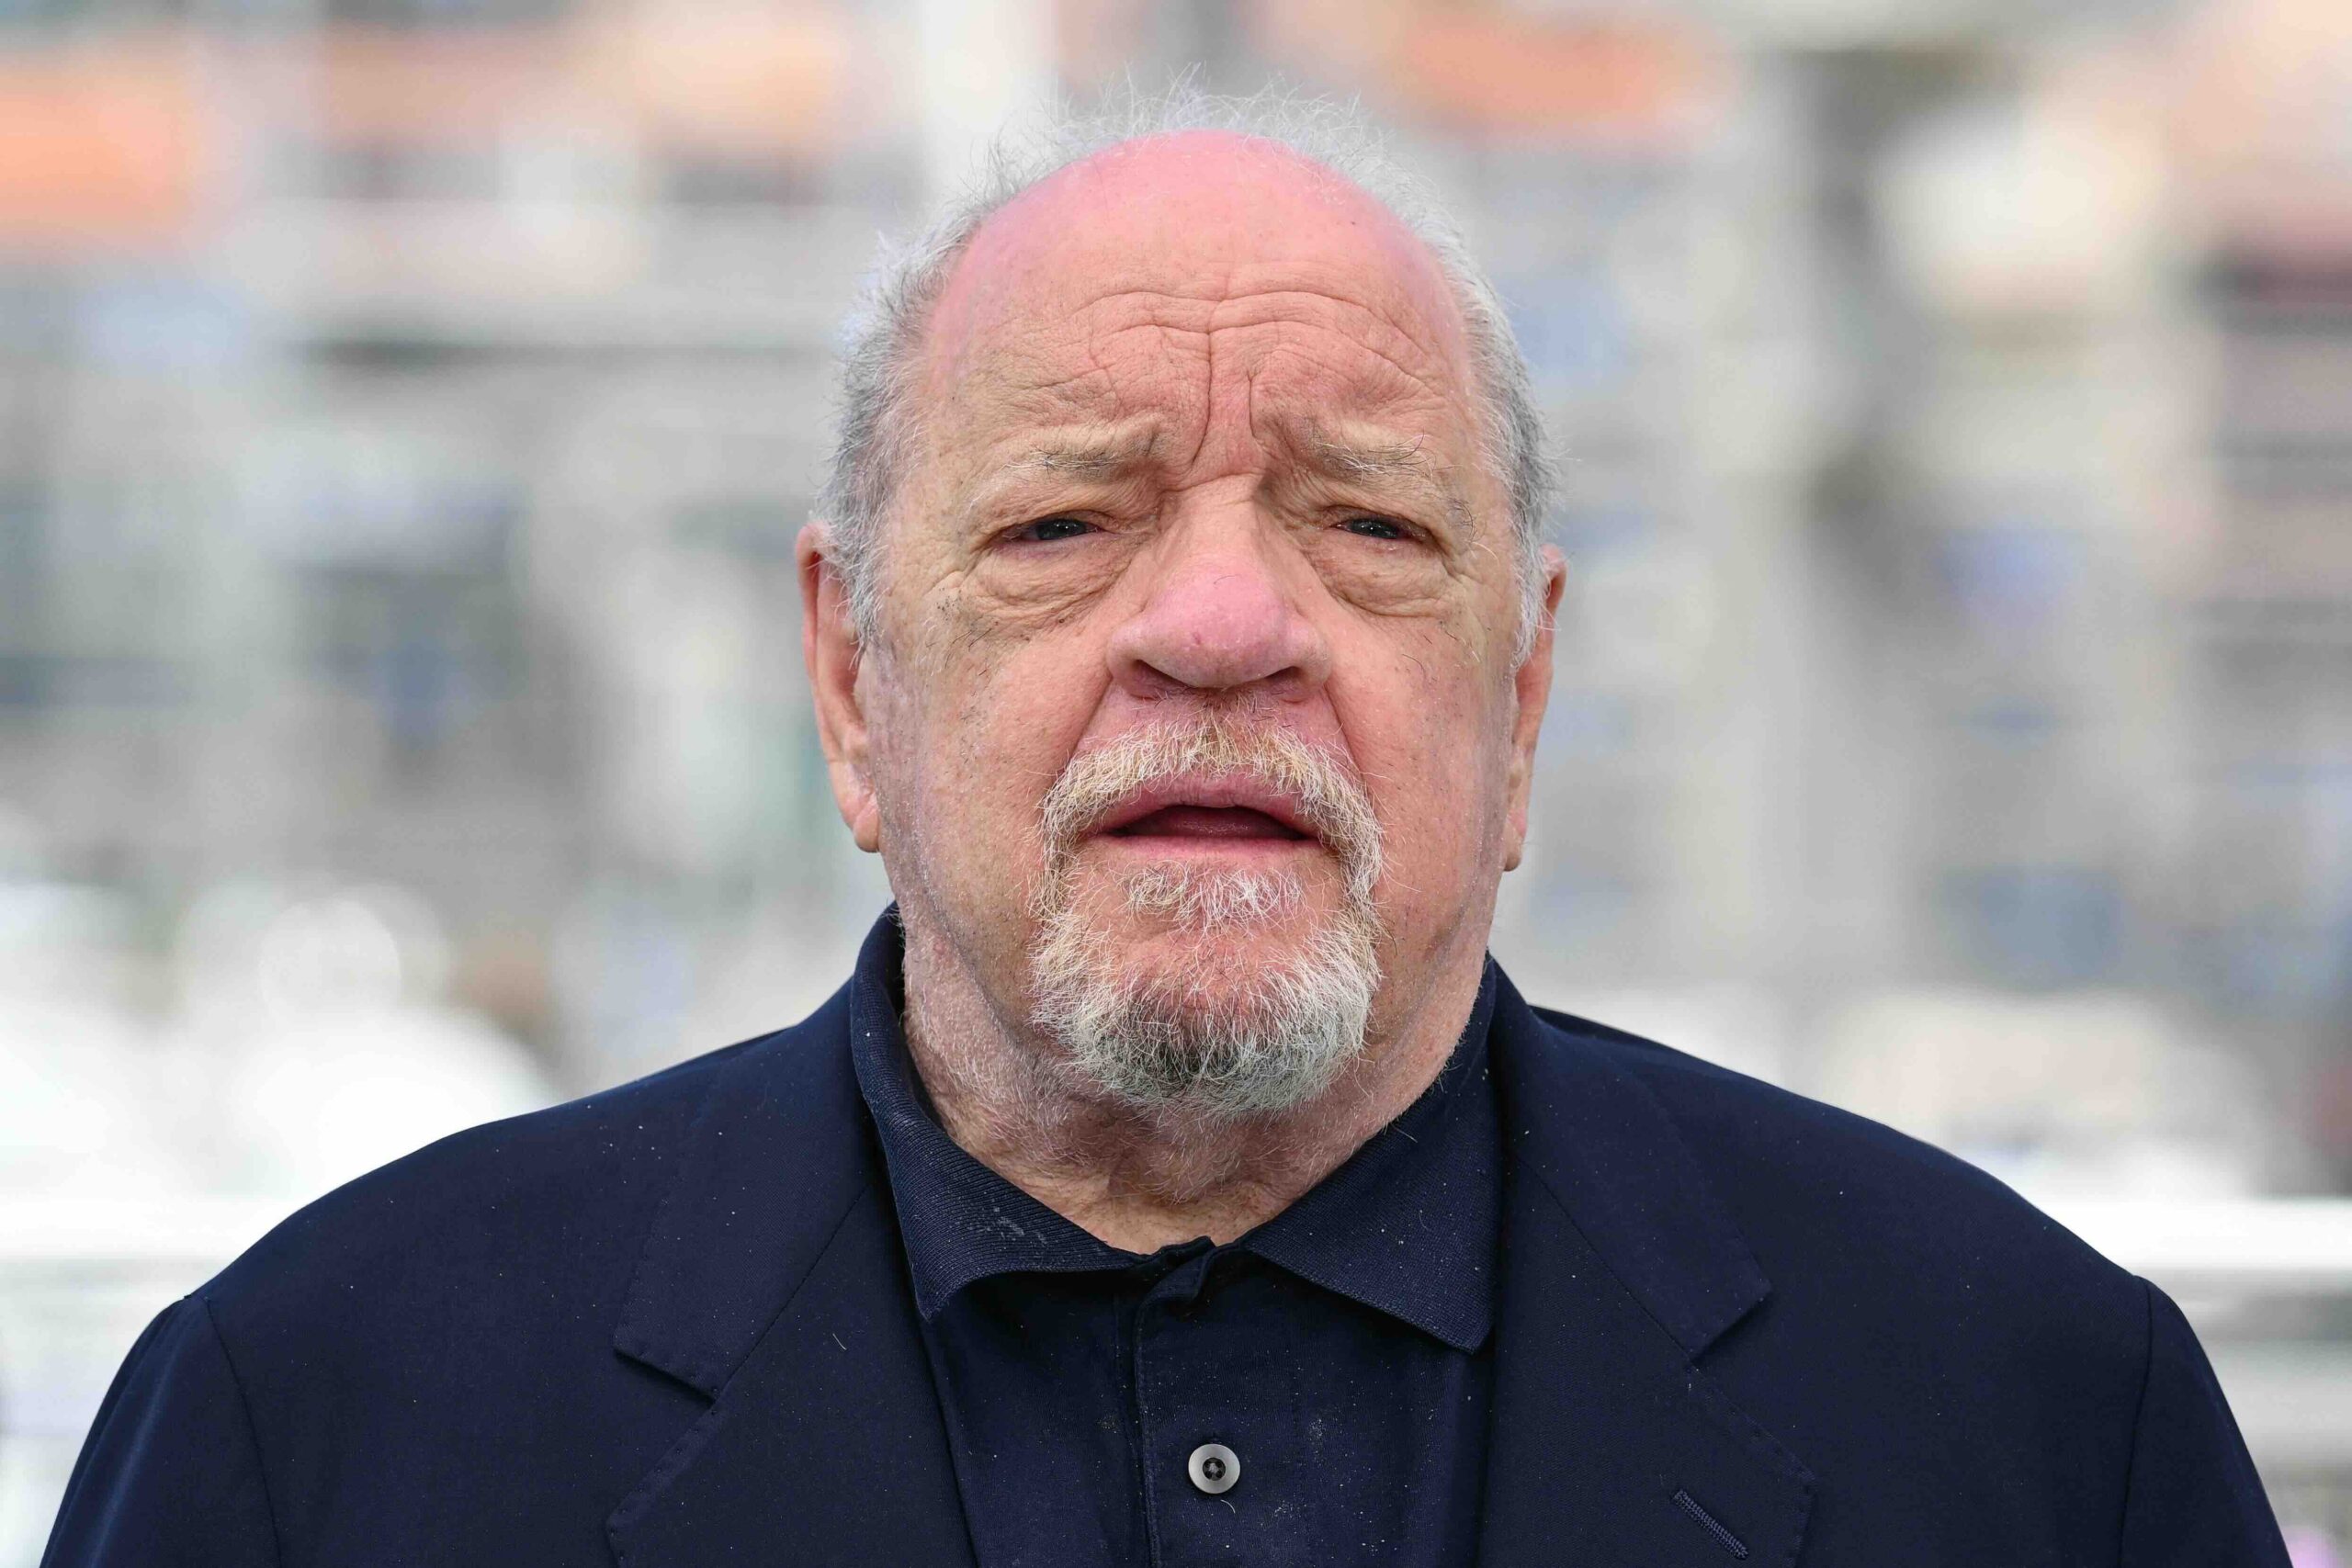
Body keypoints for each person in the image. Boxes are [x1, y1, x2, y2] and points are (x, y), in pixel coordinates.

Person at [44, 92, 2288, 1568]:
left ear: (1517, 695)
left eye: (1367, 523)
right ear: (848, 680)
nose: (1219, 625)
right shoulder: (316, 1427)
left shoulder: (2031, 1427)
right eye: (1059, 521)